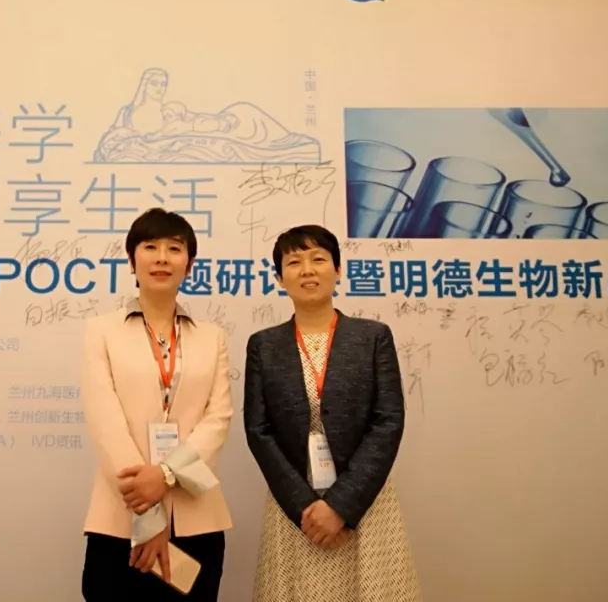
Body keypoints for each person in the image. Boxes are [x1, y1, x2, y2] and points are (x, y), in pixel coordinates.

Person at [243, 224, 422, 601]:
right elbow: (258, 430)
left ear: (338, 270)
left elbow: (388, 421)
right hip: (296, 509)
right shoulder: (264, 345)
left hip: (364, 504)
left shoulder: (372, 337)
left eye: (318, 259)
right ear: (280, 278)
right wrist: (306, 506)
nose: (307, 270)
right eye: (294, 262)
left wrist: (341, 506)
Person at [80, 208, 234, 601]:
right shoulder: (100, 331)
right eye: (150, 247)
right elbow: (105, 421)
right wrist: (149, 515)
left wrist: (165, 474)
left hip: (196, 518)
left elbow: (217, 419)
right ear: (132, 260)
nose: (162, 258)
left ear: (190, 264)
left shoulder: (212, 337)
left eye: (174, 248)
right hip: (121, 516)